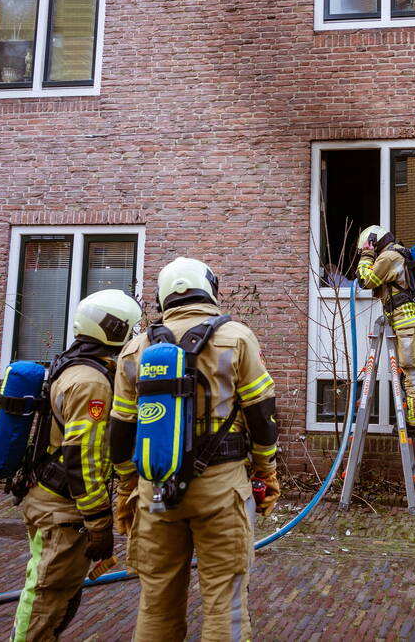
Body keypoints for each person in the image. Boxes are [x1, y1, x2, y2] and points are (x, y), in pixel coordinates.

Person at [108, 256, 280, 641]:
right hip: (221, 488)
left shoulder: (135, 348)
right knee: (225, 601)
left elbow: (120, 432)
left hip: (155, 489)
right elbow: (262, 414)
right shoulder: (236, 337)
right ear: (211, 290)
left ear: (162, 296)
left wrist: (125, 490)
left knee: (156, 601)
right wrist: (265, 470)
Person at [11, 289, 142, 642]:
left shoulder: (73, 364)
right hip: (63, 510)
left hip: (51, 498)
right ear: (115, 329)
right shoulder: (91, 383)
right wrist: (99, 522)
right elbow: (83, 456)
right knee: (46, 598)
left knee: (57, 594)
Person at [356, 225, 415, 438]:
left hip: (408, 324)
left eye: (367, 246)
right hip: (409, 322)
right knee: (413, 370)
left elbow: (365, 280)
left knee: (412, 370)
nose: (365, 250)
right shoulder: (398, 252)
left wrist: (366, 257)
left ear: (373, 242)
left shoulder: (388, 257)